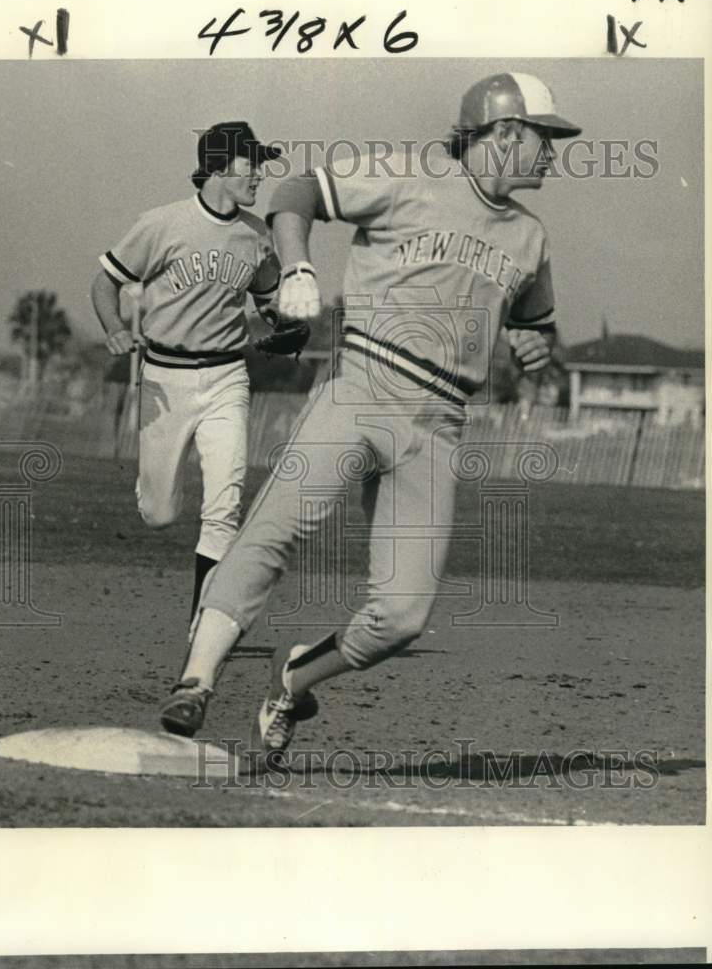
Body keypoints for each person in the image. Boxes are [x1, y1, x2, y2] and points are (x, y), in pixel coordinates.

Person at [158, 73, 582, 766]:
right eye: (545, 136)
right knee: (273, 529)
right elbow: (298, 192)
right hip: (362, 386)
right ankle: (195, 681)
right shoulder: (408, 175)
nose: (552, 153)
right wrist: (296, 267)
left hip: (439, 423)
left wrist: (537, 346)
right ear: (503, 133)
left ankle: (290, 681)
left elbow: (536, 329)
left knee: (401, 617)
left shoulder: (530, 239)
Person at [91, 121, 284, 622]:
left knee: (224, 507)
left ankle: (204, 624)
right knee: (159, 513)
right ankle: (152, 493)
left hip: (227, 378)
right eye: (251, 163)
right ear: (219, 166)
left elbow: (268, 301)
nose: (259, 174)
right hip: (165, 378)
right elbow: (104, 282)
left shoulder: (256, 234)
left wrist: (288, 325)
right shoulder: (162, 223)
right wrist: (114, 328)